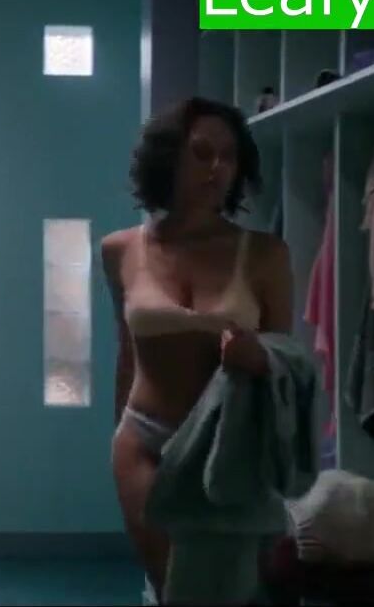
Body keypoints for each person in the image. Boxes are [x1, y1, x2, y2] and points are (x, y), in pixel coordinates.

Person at [101, 96, 294, 603]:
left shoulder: (265, 254)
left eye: (229, 156)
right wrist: (117, 433)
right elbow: (127, 353)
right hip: (143, 442)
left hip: (228, 450)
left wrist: (258, 356)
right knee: (174, 590)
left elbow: (287, 365)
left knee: (227, 592)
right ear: (169, 158)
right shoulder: (119, 250)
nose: (217, 168)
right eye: (202, 153)